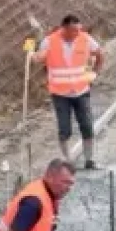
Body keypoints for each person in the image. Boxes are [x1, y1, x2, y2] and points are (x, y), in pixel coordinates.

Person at [36, 14, 105, 169]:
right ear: (64, 28)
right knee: (64, 129)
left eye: (79, 30)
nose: (77, 33)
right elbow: (41, 56)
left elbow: (100, 54)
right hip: (60, 94)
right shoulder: (50, 41)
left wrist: (95, 73)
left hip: (81, 91)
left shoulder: (85, 38)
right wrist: (34, 57)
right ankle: (68, 161)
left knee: (87, 126)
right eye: (74, 31)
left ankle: (89, 160)